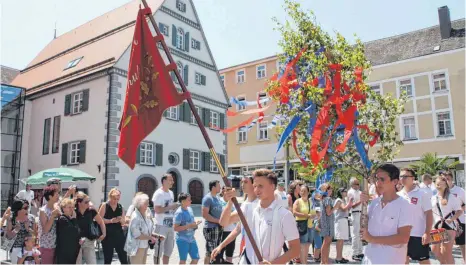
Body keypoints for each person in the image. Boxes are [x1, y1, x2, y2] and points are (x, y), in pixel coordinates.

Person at [239, 168, 299, 264]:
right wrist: (230, 200)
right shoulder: (249, 209)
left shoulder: (284, 215)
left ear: (272, 186)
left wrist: (272, 264)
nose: (256, 190)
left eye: (260, 186)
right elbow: (224, 222)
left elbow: (295, 249)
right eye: (255, 186)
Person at [361, 164, 414, 264]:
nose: (378, 183)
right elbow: (364, 230)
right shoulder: (374, 203)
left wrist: (372, 239)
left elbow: (403, 237)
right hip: (369, 259)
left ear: (395, 181)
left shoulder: (405, 205)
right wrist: (363, 204)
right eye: (377, 179)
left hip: (391, 260)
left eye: (382, 179)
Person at [213, 176, 258, 261]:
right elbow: (225, 223)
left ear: (254, 184)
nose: (242, 184)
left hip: (260, 253)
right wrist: (230, 201)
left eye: (245, 182)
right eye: (242, 182)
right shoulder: (245, 204)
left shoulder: (260, 203)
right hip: (247, 253)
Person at [397, 168, 433, 265]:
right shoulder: (398, 195)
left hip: (418, 234)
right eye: (401, 176)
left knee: (423, 261)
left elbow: (429, 214)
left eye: (405, 176)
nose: (402, 178)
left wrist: (427, 232)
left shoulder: (422, 194)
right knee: (403, 260)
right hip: (402, 235)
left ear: (412, 178)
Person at [431, 175, 463, 265]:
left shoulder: (451, 197)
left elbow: (459, 210)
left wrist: (451, 219)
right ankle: (444, 262)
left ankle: (448, 263)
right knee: (434, 250)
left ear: (445, 185)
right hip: (437, 227)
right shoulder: (433, 198)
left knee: (447, 251)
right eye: (437, 184)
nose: (439, 186)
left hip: (448, 226)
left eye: (441, 184)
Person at [125, 193, 163, 264]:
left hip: (144, 246)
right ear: (140, 204)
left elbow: (148, 231)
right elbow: (137, 235)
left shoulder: (145, 215)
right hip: (136, 248)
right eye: (146, 203)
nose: (148, 205)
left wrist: (156, 236)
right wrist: (151, 238)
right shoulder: (135, 217)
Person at [152, 173, 179, 264]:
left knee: (168, 251)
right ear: (164, 181)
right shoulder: (158, 193)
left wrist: (175, 208)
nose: (173, 182)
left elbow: (169, 209)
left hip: (170, 226)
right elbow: (157, 210)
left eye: (172, 180)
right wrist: (171, 207)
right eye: (170, 180)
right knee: (158, 252)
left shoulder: (171, 193)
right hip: (161, 226)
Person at [75, 192, 106, 264]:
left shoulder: (91, 210)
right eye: (86, 202)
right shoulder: (73, 211)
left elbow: (101, 222)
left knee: (92, 263)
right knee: (77, 263)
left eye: (89, 201)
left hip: (89, 241)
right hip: (76, 242)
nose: (88, 203)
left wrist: (104, 234)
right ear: (79, 203)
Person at [98, 188, 128, 264]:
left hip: (119, 235)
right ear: (110, 197)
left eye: (118, 199)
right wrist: (111, 221)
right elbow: (99, 219)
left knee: (124, 258)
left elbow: (123, 222)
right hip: (107, 235)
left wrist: (121, 220)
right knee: (108, 259)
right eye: (114, 199)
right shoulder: (105, 205)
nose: (116, 201)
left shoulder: (121, 207)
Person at [442, 171, 466, 262]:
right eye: (444, 179)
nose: (446, 181)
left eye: (447, 179)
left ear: (452, 179)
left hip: (459, 221)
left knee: (462, 244)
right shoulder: (440, 192)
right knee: (445, 247)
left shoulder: (459, 190)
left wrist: (456, 213)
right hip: (445, 223)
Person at [174, 193, 202, 265]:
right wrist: (189, 226)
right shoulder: (179, 213)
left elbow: (191, 223)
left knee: (196, 258)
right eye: (189, 200)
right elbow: (175, 228)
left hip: (191, 238)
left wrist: (195, 224)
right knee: (183, 261)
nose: (191, 201)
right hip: (182, 239)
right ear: (183, 201)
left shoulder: (190, 209)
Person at [6, 200, 37, 264]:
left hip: (29, 249)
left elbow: (36, 234)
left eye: (28, 207)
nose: (27, 210)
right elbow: (8, 236)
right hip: (16, 248)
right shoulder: (11, 219)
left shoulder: (31, 218)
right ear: (18, 209)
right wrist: (16, 230)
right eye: (25, 208)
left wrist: (28, 229)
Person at [292, 185, 316, 264]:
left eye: (305, 191)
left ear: (308, 192)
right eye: (301, 191)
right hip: (302, 225)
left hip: (310, 225)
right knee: (303, 246)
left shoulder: (311, 201)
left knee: (307, 245)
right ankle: (304, 263)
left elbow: (314, 211)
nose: (303, 192)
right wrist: (307, 215)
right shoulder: (298, 201)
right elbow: (295, 212)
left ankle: (305, 262)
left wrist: (315, 215)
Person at [201, 180, 223, 264]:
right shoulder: (207, 198)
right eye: (218, 186)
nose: (220, 187)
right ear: (213, 187)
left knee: (216, 251)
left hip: (218, 227)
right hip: (210, 228)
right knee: (209, 251)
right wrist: (218, 221)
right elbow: (204, 215)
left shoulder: (217, 198)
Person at [38, 186, 60, 264]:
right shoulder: (43, 211)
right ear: (50, 197)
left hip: (57, 246)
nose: (58, 196)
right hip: (47, 247)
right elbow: (46, 230)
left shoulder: (57, 208)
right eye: (56, 194)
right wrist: (52, 216)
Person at [56, 198, 82, 264]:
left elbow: (78, 232)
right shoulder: (63, 219)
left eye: (73, 207)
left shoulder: (69, 219)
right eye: (69, 207)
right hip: (64, 254)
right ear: (63, 208)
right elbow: (75, 231)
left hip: (71, 253)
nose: (71, 209)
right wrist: (74, 219)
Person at [334, 188, 353, 264]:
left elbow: (347, 208)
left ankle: (340, 256)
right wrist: (350, 202)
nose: (346, 192)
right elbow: (344, 209)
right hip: (340, 221)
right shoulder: (339, 200)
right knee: (339, 240)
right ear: (341, 192)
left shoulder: (343, 200)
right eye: (344, 191)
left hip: (344, 220)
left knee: (341, 240)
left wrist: (349, 203)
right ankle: (338, 257)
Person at [347, 177, 364, 261]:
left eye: (358, 183)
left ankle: (360, 252)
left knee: (361, 233)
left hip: (361, 213)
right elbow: (352, 205)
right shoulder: (350, 192)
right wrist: (361, 200)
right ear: (352, 184)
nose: (358, 185)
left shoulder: (360, 192)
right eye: (356, 184)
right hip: (355, 213)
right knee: (355, 234)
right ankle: (354, 253)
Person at [218, 187, 236, 263]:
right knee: (219, 254)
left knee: (230, 253)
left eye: (230, 191)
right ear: (223, 192)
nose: (229, 193)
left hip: (232, 231)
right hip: (222, 231)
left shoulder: (234, 201)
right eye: (227, 191)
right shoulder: (219, 201)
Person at [319, 183, 335, 265]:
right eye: (329, 189)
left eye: (331, 188)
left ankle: (325, 261)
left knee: (326, 242)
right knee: (326, 242)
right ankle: (323, 261)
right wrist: (336, 207)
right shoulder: (328, 199)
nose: (331, 190)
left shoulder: (323, 199)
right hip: (328, 223)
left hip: (325, 222)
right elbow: (329, 213)